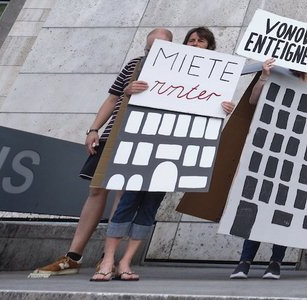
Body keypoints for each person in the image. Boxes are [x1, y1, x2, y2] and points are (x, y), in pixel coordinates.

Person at [29, 27, 172, 278]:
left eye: (161, 47)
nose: (154, 52)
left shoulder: (174, 71)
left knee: (122, 193)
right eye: (151, 47)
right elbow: (113, 98)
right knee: (96, 190)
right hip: (113, 134)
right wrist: (94, 128)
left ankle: (109, 259)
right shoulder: (134, 65)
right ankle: (73, 256)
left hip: (141, 138)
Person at [91, 27, 226, 282]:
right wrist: (130, 91)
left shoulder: (213, 77)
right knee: (128, 200)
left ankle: (126, 261)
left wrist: (222, 107)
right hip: (144, 139)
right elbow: (123, 99)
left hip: (174, 147)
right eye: (192, 40)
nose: (196, 44)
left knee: (150, 206)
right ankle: (107, 260)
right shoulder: (158, 66)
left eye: (201, 41)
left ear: (210, 47)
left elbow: (206, 107)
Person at [229, 51, 307, 280]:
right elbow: (255, 100)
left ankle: (275, 262)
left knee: (286, 207)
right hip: (274, 150)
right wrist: (264, 76)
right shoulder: (282, 78)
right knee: (258, 203)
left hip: (302, 155)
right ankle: (245, 261)